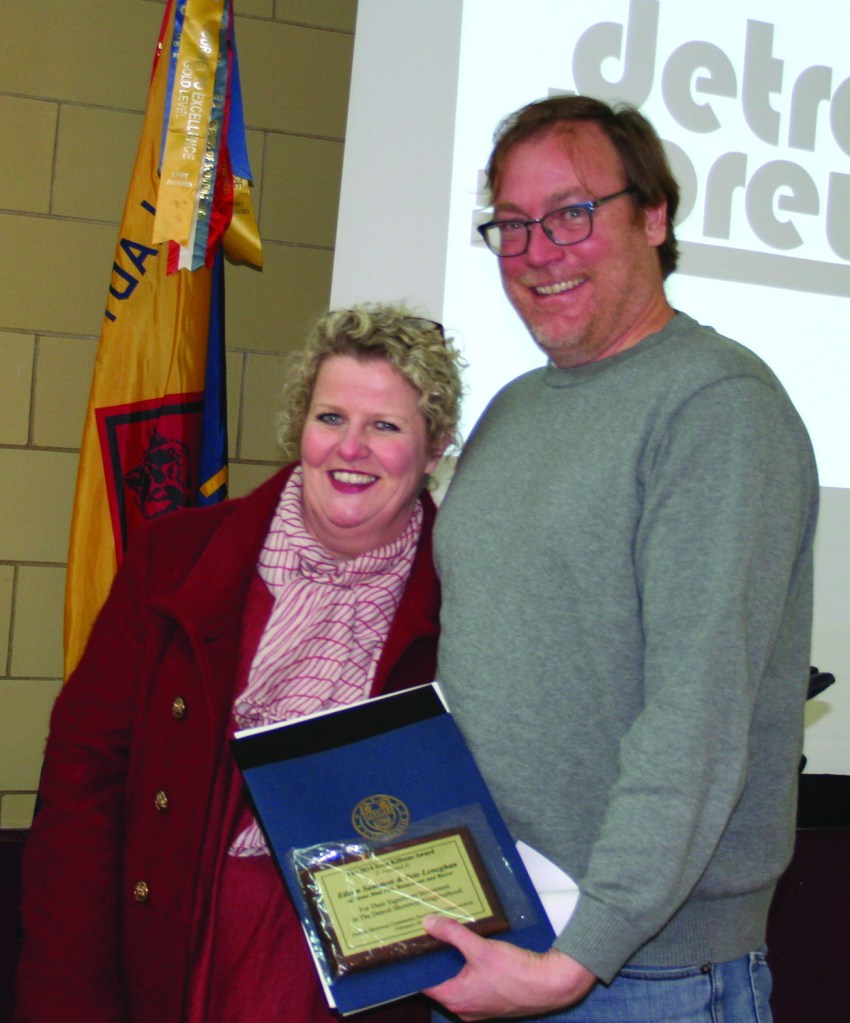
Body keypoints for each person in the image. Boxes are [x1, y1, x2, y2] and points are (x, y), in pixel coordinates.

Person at [424, 95, 819, 1022]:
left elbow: (698, 710)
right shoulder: (514, 409)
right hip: (495, 939)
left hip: (637, 976)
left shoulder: (718, 408)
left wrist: (578, 958)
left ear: (653, 216)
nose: (537, 251)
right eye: (513, 226)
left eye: (571, 213)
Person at [14, 305, 464, 1023]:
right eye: (330, 418)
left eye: (386, 426)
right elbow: (81, 787)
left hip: (367, 974)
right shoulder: (175, 560)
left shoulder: (467, 599)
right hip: (180, 944)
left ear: (434, 447)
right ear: (298, 426)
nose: (351, 448)